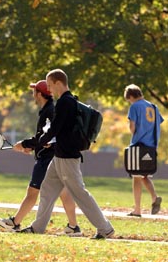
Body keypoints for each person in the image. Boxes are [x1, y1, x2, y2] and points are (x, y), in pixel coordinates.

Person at [19, 69, 114, 239]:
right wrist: (41, 142)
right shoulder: (68, 101)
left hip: (68, 158)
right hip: (60, 156)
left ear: (58, 83)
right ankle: (37, 227)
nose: (49, 89)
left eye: (49, 85)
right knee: (47, 189)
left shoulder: (65, 102)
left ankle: (105, 228)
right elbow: (60, 131)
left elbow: (54, 129)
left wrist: (31, 144)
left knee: (80, 194)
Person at [0, 80, 81, 236]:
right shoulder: (48, 110)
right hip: (52, 157)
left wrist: (25, 143)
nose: (32, 94)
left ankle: (15, 222)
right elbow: (45, 138)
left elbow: (47, 137)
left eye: (34, 91)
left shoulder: (49, 111)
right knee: (64, 192)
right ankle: (73, 227)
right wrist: (32, 146)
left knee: (33, 191)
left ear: (39, 94)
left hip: (46, 160)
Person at [124, 84, 164, 217]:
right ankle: (154, 198)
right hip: (151, 146)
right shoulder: (154, 107)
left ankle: (137, 210)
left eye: (128, 99)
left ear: (130, 96)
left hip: (138, 144)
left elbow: (132, 128)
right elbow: (158, 124)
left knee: (136, 176)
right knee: (144, 176)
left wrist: (132, 128)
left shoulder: (134, 106)